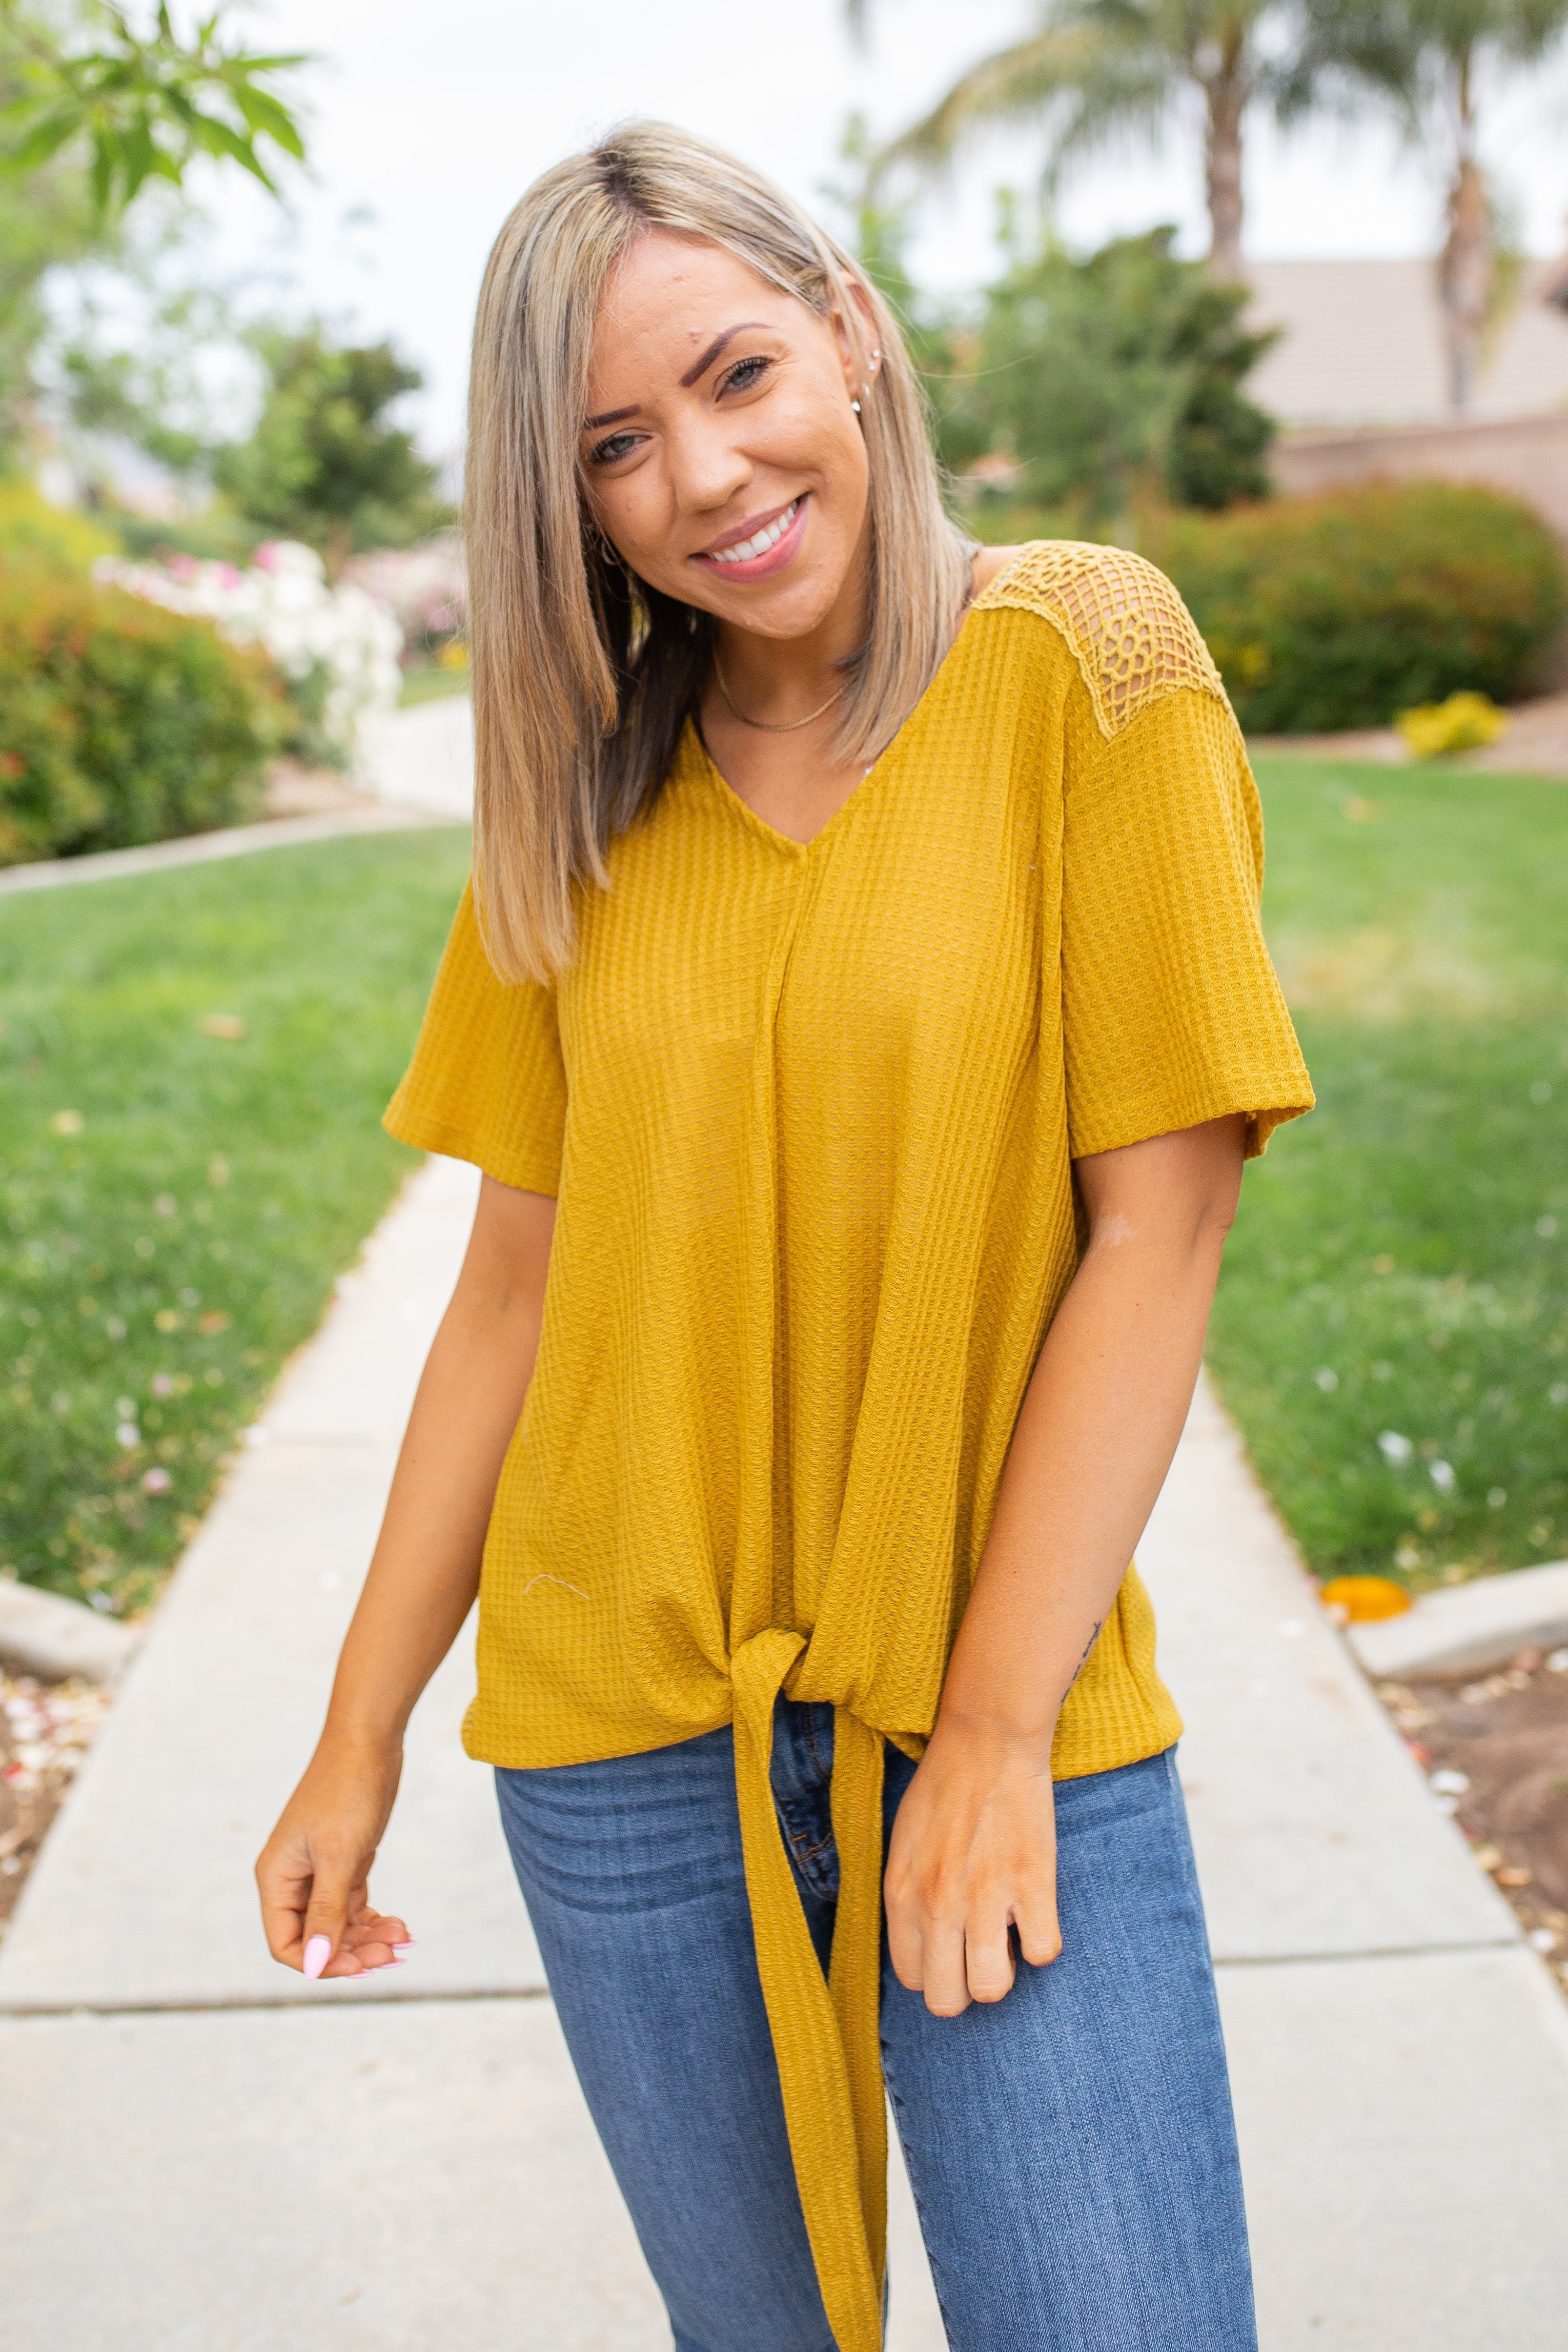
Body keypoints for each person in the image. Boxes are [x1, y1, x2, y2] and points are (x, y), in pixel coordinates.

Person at [255, 121, 1313, 2352]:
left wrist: (1002, 1732)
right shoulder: (582, 797)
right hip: (626, 1752)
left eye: (735, 375)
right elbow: (512, 1298)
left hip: (992, 1699)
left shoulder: (1080, 665)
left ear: (849, 334)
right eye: (616, 447)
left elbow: (1163, 1230)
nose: (702, 478)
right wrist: (359, 1732)